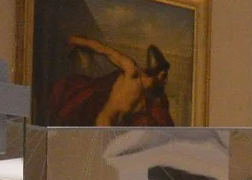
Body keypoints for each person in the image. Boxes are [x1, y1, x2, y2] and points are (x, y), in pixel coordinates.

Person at [46, 36, 174, 127]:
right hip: (104, 123)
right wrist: (77, 40)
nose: (165, 81)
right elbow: (104, 50)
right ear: (157, 74)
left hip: (117, 131)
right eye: (164, 76)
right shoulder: (131, 71)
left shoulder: (149, 97)